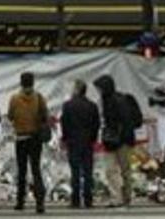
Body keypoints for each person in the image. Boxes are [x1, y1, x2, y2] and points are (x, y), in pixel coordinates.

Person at [93, 75, 141, 208]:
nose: (98, 91)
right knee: (123, 170)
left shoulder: (117, 101)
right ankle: (124, 197)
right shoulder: (111, 100)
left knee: (113, 170)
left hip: (118, 140)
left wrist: (115, 133)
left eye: (99, 88)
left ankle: (119, 197)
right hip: (119, 140)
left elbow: (124, 121)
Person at [7, 71, 48, 214]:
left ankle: (20, 201)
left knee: (22, 170)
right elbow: (45, 115)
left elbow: (10, 116)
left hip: (21, 138)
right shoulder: (39, 97)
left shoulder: (14, 98)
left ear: (21, 83)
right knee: (36, 169)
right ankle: (40, 203)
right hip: (36, 137)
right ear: (33, 82)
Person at [59, 79, 99, 209]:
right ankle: (88, 200)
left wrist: (65, 138)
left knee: (75, 171)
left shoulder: (68, 105)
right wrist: (93, 138)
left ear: (76, 90)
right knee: (88, 171)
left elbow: (64, 123)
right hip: (87, 142)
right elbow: (96, 125)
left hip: (73, 141)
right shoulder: (92, 106)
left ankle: (75, 200)